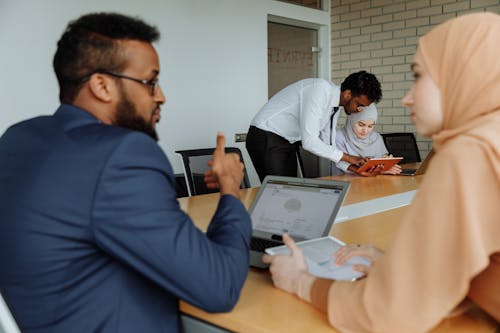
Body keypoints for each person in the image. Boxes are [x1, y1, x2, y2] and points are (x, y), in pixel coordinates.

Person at [0, 13, 252, 333]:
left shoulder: (17, 137)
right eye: (150, 82)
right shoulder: (122, 154)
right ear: (102, 85)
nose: (160, 96)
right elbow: (220, 287)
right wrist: (230, 188)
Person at [263, 12, 500, 332]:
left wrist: (301, 281)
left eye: (418, 76)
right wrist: (395, 265)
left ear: (462, 74)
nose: (407, 98)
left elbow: (387, 313)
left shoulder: (470, 151)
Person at [245, 71, 382, 182]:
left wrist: (354, 168)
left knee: (288, 191)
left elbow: (330, 148)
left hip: (287, 141)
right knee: (276, 191)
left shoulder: (334, 107)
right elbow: (309, 142)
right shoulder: (320, 90)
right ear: (347, 94)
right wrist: (351, 158)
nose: (359, 111)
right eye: (359, 105)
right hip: (265, 134)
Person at [332, 103, 402, 176]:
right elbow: (340, 163)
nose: (365, 130)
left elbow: (379, 161)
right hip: (346, 181)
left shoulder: (376, 137)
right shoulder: (338, 136)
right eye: (361, 125)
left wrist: (387, 164)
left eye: (370, 126)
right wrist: (378, 171)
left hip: (373, 181)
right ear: (352, 120)